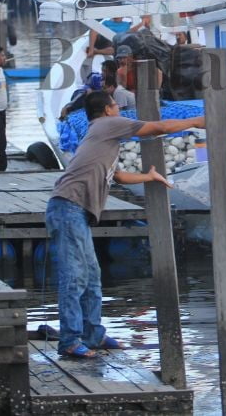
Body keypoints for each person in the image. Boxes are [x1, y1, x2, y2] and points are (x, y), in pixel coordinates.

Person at [46, 90, 204, 358]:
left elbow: (116, 175)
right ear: (107, 110)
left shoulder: (102, 136)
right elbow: (158, 127)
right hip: (67, 207)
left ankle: (93, 335)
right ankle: (70, 341)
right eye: (116, 106)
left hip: (76, 211)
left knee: (92, 276)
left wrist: (148, 176)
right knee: (75, 278)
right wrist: (197, 121)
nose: (119, 109)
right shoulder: (108, 125)